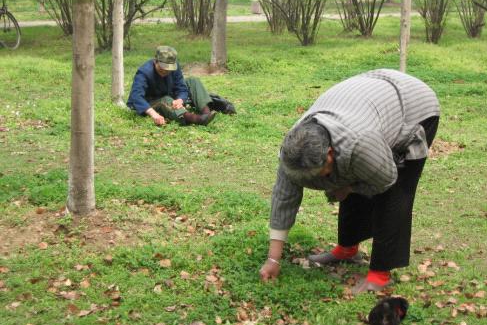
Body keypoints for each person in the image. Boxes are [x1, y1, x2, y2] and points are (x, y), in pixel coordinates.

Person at [259, 69, 440, 294]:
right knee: (349, 173)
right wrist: (273, 259)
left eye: (318, 173)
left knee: (394, 193)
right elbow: (284, 199)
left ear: (330, 153)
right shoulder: (293, 151)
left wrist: (350, 187)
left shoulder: (360, 144)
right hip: (367, 99)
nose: (313, 181)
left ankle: (380, 274)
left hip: (414, 106)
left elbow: (387, 180)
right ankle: (347, 249)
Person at [127, 45, 235, 126]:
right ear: (155, 61)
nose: (165, 72)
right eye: (162, 69)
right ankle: (197, 119)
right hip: (150, 103)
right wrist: (154, 114)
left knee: (193, 81)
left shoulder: (175, 66)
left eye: (168, 70)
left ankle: (206, 113)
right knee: (166, 99)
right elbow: (136, 97)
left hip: (169, 95)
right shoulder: (144, 72)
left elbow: (181, 87)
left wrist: (180, 100)